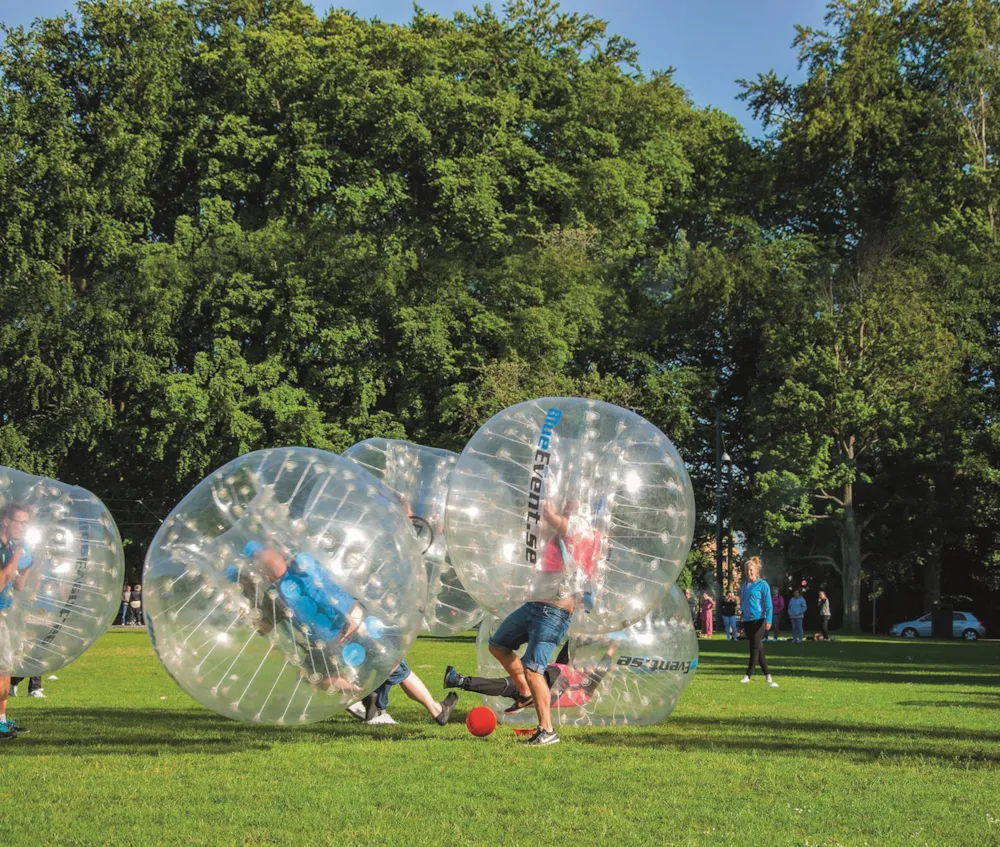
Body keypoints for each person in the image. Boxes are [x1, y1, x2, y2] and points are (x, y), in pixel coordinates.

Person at [488, 499, 601, 746]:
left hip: (554, 612)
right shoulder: (562, 534)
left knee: (533, 669)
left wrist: (544, 496)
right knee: (498, 645)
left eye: (575, 501)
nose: (569, 504)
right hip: (534, 605)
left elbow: (551, 517)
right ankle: (525, 693)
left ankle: (547, 730)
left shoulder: (585, 532)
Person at [0, 502, 34, 740]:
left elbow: (19, 585)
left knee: (5, 669)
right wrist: (18, 555)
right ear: (6, 521)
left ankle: (1, 719)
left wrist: (30, 563)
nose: (24, 527)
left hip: (3, 611)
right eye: (20, 522)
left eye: (26, 523)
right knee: (1, 668)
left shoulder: (10, 547)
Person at [347, 659, 457, 726]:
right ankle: (436, 710)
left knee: (389, 664)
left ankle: (376, 707)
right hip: (370, 635)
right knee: (396, 666)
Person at [738, 556, 777, 687]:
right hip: (747, 620)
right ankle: (768, 676)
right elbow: (743, 602)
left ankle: (748, 675)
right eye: (747, 570)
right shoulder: (743, 586)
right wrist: (741, 610)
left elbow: (769, 605)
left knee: (754, 647)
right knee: (758, 649)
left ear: (756, 570)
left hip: (759, 620)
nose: (749, 572)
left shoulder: (763, 585)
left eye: (751, 570)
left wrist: (769, 620)